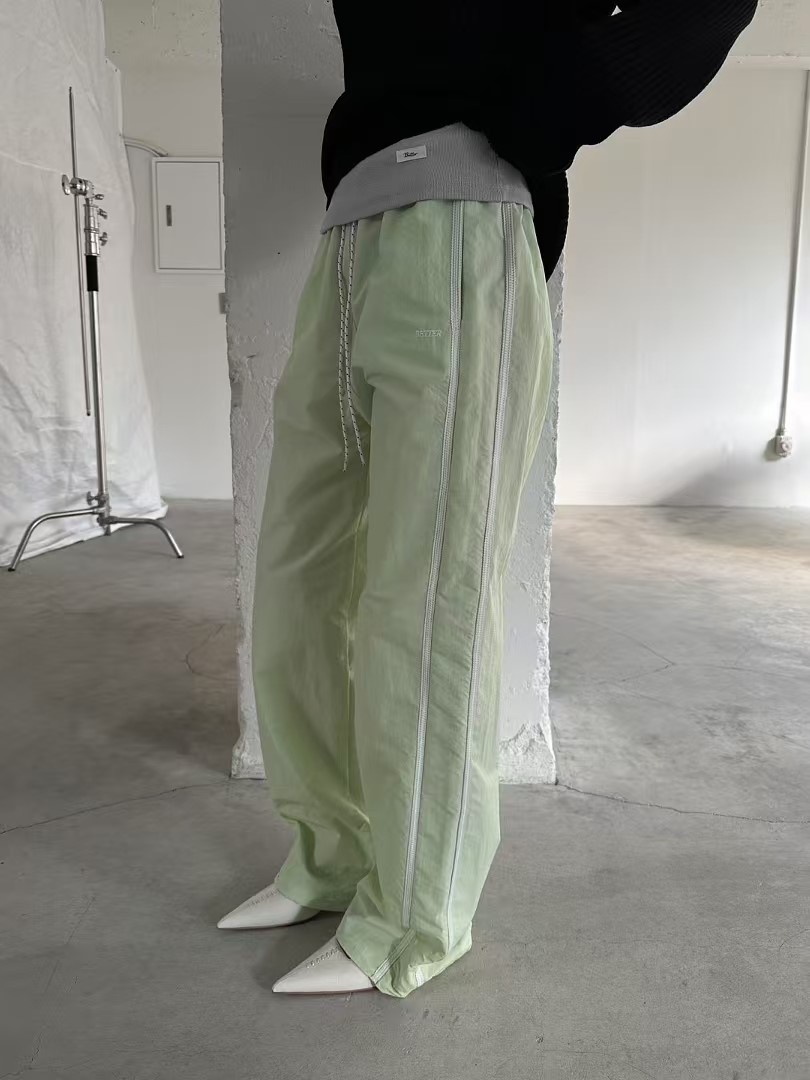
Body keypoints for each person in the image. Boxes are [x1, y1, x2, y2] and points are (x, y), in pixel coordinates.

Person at [219, 0, 759, 998]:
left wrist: (554, 106)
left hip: (466, 218)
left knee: (427, 599)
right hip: (350, 236)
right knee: (296, 582)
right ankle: (332, 855)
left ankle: (413, 917)